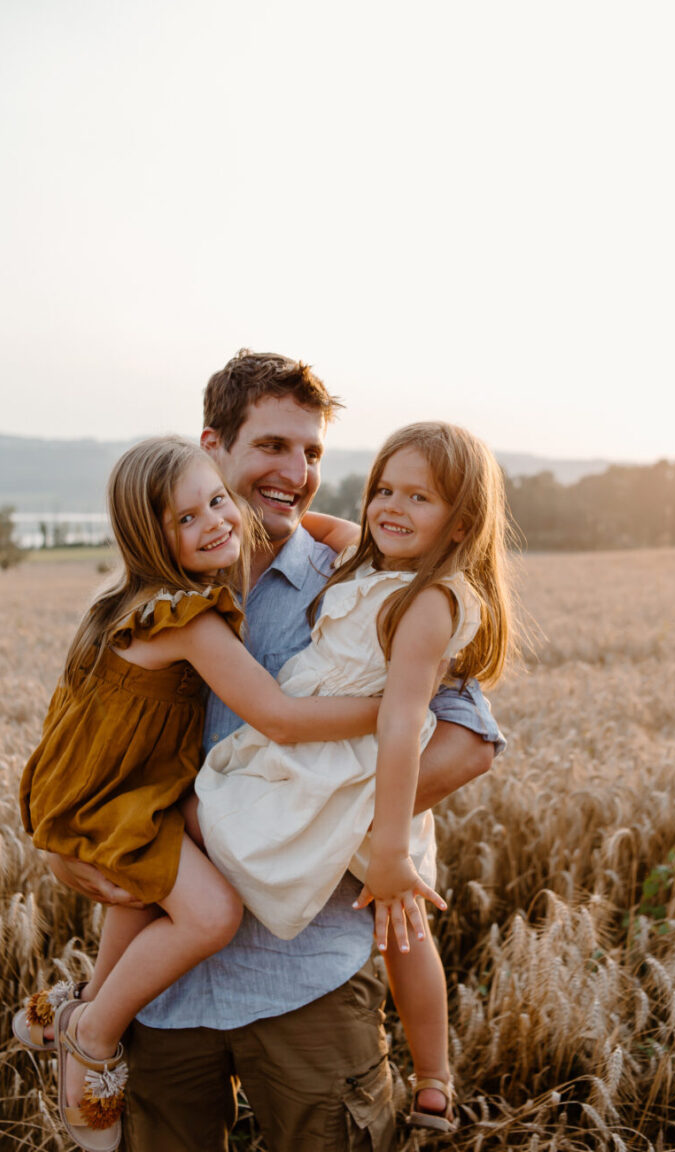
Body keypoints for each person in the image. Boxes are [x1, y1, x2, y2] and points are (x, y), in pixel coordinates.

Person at [47, 350, 506, 1152]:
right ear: (213, 445)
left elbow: (467, 740)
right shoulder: (148, 599)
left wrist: (315, 827)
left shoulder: (362, 580)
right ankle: (87, 1018)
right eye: (272, 446)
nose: (296, 473)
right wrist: (69, 849)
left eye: (313, 452)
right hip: (165, 992)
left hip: (308, 978)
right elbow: (90, 749)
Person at [16, 435, 384, 1152]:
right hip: (119, 799)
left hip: (111, 789)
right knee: (211, 913)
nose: (215, 522)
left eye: (217, 501)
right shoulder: (187, 618)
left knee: (142, 895)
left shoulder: (125, 602)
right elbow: (279, 717)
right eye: (186, 519)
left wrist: (336, 529)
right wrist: (393, 709)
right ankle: (92, 1034)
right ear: (147, 539)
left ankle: (79, 1003)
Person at [196, 420, 514, 1133]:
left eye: (420, 498)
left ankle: (433, 1076)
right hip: (339, 762)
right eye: (384, 490)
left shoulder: (429, 601)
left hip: (352, 768)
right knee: (402, 927)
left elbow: (401, 723)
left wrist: (393, 849)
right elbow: (314, 523)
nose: (392, 508)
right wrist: (231, 506)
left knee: (399, 915)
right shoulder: (368, 560)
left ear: (463, 523)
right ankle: (433, 1080)